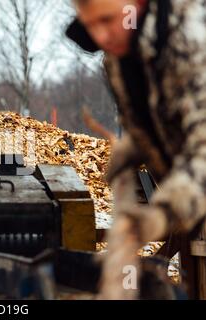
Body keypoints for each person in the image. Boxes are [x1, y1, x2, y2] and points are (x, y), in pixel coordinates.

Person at [66, 0, 206, 299]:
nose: (101, 37)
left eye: (107, 20)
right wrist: (129, 152)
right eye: (90, 24)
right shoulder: (120, 57)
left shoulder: (192, 42)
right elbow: (157, 121)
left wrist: (162, 214)